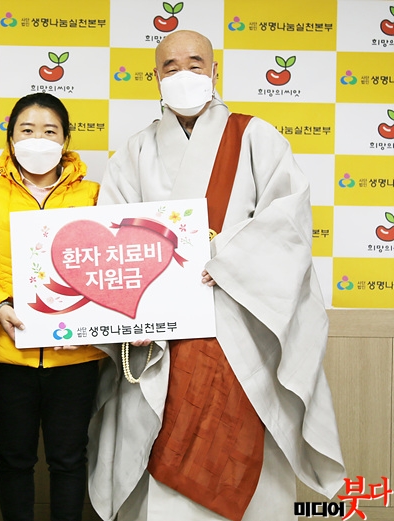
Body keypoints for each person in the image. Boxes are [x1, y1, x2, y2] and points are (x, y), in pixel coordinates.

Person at [87, 30, 346, 521]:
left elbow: (287, 221)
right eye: (170, 67)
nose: (183, 74)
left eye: (195, 63)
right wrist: (134, 313)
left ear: (214, 71)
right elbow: (114, 241)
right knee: (157, 428)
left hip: (239, 318)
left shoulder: (256, 137)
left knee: (241, 429)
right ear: (155, 77)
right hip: (163, 330)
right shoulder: (135, 151)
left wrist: (220, 255)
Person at [0, 92, 106, 521]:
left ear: (66, 140)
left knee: (70, 458)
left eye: (50, 131)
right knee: (13, 459)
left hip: (75, 356)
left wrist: (93, 321)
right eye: (27, 130)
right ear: (11, 138)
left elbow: (110, 264)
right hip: (7, 353)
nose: (38, 139)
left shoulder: (95, 195)